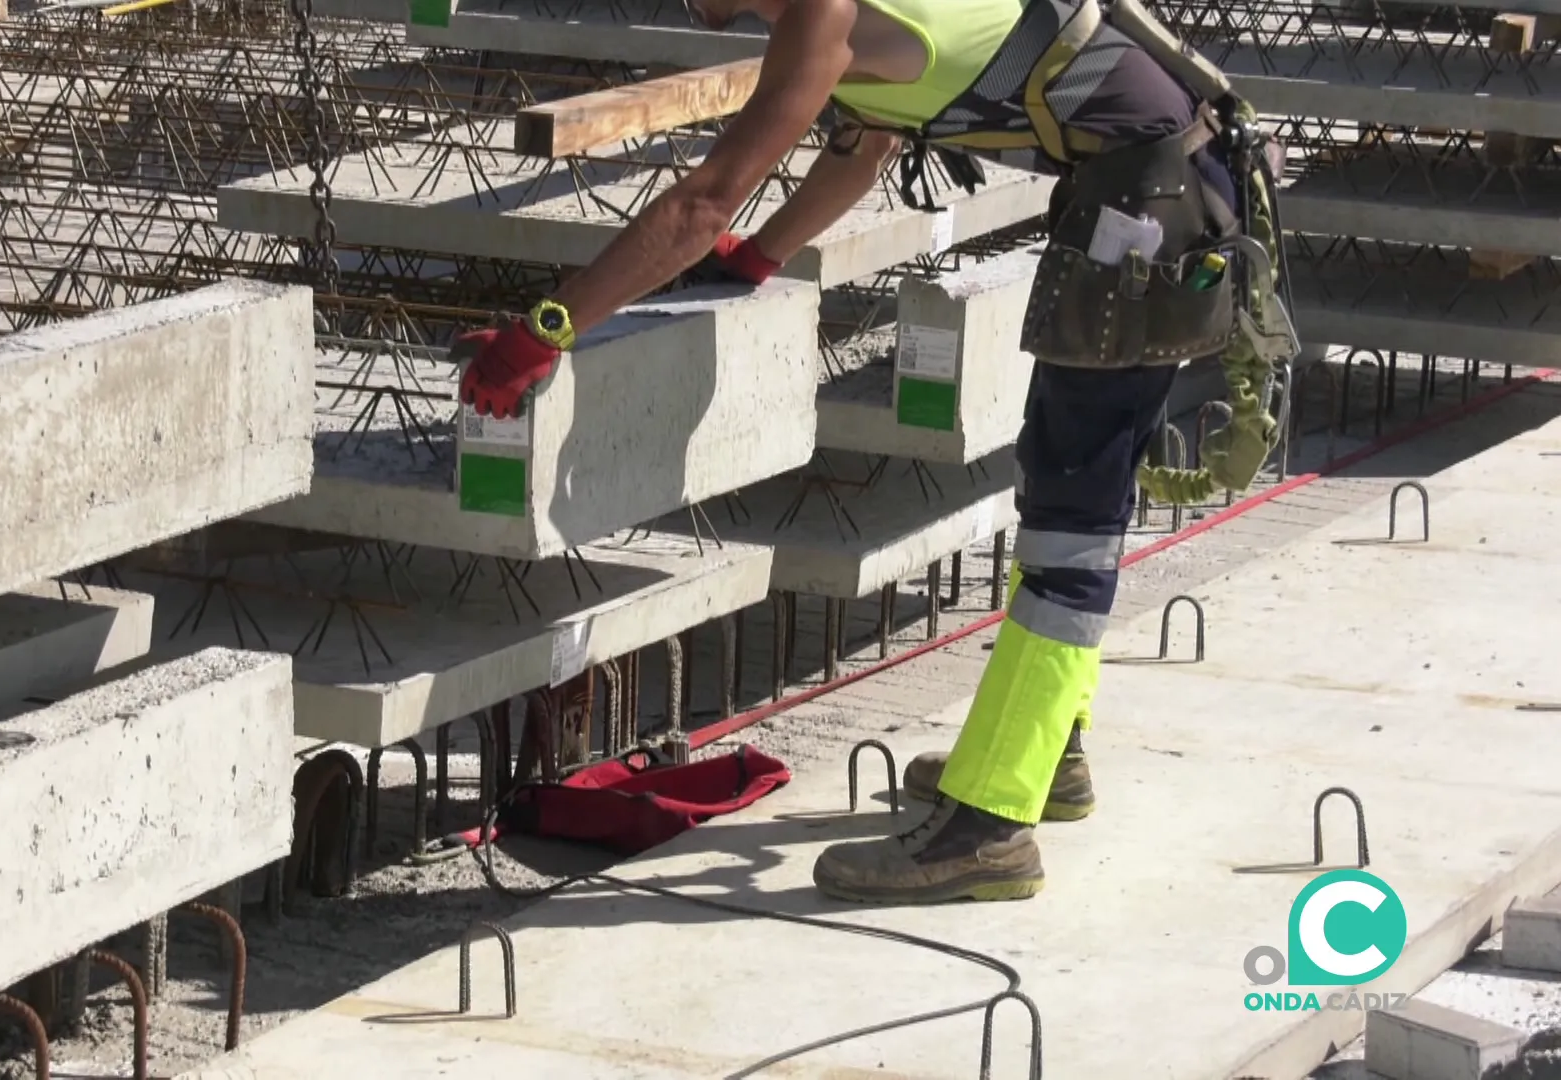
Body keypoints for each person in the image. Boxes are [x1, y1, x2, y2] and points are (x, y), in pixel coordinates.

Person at [454, 0, 1287, 905]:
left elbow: (702, 202)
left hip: (1154, 208)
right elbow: (864, 148)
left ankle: (991, 828)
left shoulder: (824, 11)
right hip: (1150, 188)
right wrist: (758, 259)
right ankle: (1048, 754)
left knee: (1074, 523)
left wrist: (548, 328)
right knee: (1062, 489)